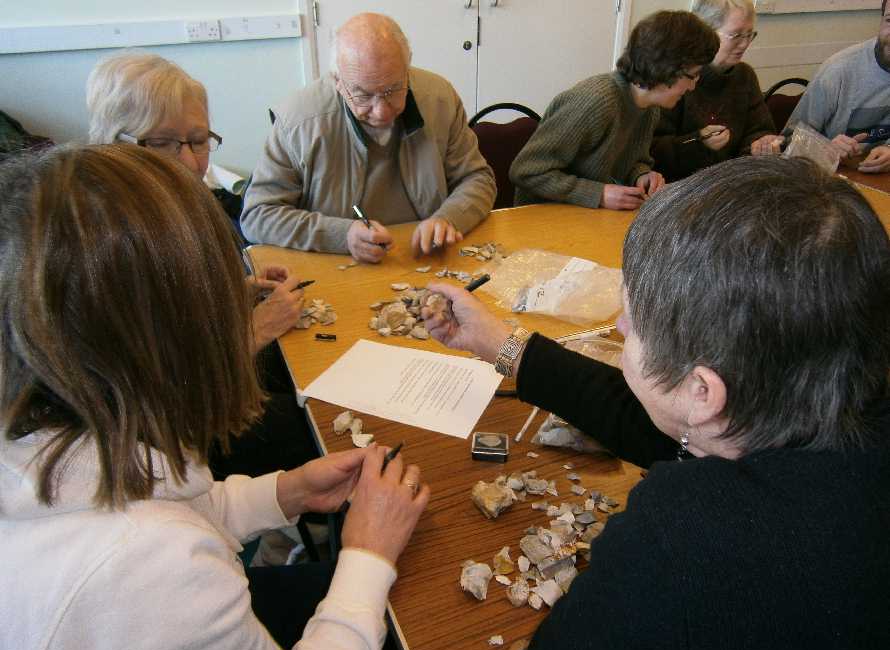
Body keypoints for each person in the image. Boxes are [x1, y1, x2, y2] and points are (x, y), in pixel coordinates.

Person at [422, 156, 890, 650]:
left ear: (702, 392)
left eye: (633, 320)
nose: (620, 327)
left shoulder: (683, 538)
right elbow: (665, 428)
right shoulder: (825, 404)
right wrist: (502, 344)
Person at [0, 144, 429, 650]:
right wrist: (368, 554)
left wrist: (287, 492)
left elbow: (161, 503)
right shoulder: (149, 569)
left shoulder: (61, 439)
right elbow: (157, 542)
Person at [87, 53, 316, 480]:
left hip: (212, 383)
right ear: (114, 142)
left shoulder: (171, 204)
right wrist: (256, 329)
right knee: (315, 427)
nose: (192, 163)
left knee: (309, 374)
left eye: (199, 141)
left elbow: (178, 315)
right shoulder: (109, 241)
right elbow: (153, 393)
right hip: (169, 437)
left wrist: (237, 292)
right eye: (163, 143)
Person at [240, 12, 496, 263]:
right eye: (363, 95)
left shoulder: (440, 99)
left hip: (425, 258)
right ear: (338, 81)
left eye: (393, 89)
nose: (381, 111)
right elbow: (258, 215)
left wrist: (448, 218)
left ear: (407, 69)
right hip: (336, 266)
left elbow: (478, 179)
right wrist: (341, 235)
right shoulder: (298, 122)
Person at [508, 11, 718, 211]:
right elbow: (526, 171)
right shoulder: (595, 101)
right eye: (693, 75)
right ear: (667, 69)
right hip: (542, 216)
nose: (693, 86)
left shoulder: (650, 107)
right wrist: (598, 194)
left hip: (585, 213)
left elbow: (632, 161)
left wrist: (641, 175)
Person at [651, 0, 783, 181]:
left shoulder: (745, 76)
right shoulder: (676, 77)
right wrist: (699, 142)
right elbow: (653, 151)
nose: (744, 44)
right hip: (681, 185)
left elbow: (758, 129)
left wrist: (761, 143)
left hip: (731, 181)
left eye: (749, 34)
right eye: (736, 35)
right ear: (705, 33)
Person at [784, 0, 890, 173]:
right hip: (827, 177)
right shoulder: (838, 71)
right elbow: (786, 142)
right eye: (889, 20)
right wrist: (826, 149)